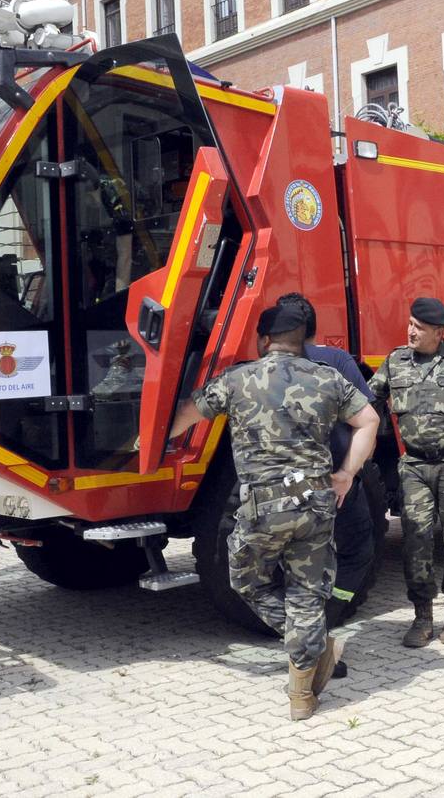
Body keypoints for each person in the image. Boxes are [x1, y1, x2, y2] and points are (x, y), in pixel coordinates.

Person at [168, 305, 379, 720]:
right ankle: (301, 697)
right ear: (303, 340)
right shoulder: (327, 377)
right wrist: (346, 474)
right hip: (316, 503)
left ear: (263, 340)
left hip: (263, 508)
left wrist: (142, 443)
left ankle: (310, 647)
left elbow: (187, 414)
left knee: (245, 579)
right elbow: (369, 420)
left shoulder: (238, 379)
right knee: (307, 592)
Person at [369, 297, 444, 648]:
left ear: (439, 332)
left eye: (419, 328)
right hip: (415, 466)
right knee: (416, 540)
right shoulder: (396, 361)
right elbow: (366, 399)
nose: (411, 332)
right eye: (410, 324)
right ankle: (422, 615)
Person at [276, 293, 375, 681]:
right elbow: (366, 420)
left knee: (298, 561)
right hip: (331, 483)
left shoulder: (257, 370)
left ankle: (301, 641)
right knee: (355, 552)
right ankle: (319, 635)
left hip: (284, 485)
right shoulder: (335, 361)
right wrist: (348, 473)